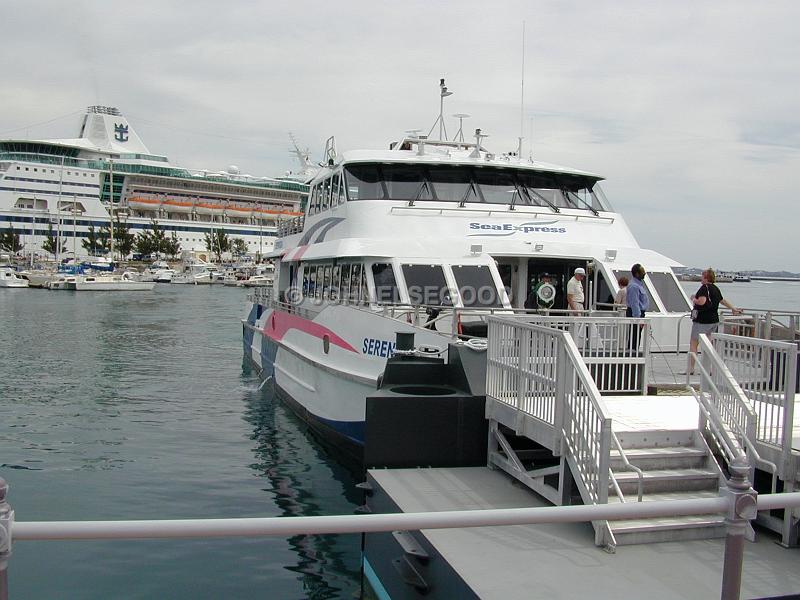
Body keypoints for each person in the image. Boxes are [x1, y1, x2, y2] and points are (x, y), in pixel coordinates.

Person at [687, 268, 741, 374]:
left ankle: (691, 369)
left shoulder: (704, 288)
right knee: (709, 345)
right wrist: (733, 308)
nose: (701, 278)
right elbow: (722, 300)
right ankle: (709, 369)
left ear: (706, 278)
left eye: (702, 276)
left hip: (702, 321)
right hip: (714, 320)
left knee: (694, 343)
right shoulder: (715, 288)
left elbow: (702, 302)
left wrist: (694, 299)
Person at [626, 264, 649, 351]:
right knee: (634, 334)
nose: (644, 274)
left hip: (639, 313)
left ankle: (634, 351)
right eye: (642, 272)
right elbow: (634, 303)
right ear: (636, 274)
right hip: (635, 313)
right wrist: (638, 318)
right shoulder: (634, 286)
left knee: (637, 334)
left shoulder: (639, 284)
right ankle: (632, 352)